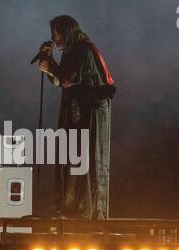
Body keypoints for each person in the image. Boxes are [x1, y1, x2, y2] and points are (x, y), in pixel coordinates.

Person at [38, 15, 115, 220]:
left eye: (56, 34)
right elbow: (60, 80)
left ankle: (87, 212)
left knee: (87, 159)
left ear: (66, 32)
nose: (53, 39)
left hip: (90, 112)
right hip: (77, 111)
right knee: (71, 157)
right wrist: (49, 66)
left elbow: (67, 78)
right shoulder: (73, 51)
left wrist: (51, 65)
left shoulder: (83, 49)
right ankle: (70, 208)